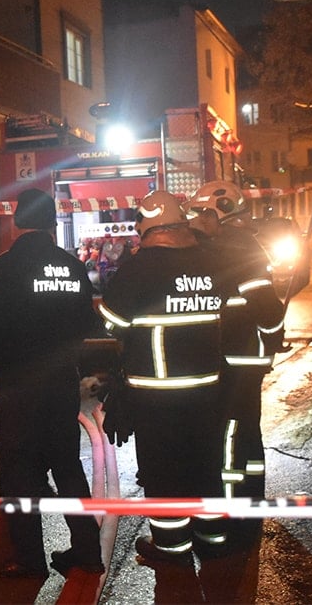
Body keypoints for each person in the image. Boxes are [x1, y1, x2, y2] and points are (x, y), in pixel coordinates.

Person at [98, 191, 240, 564]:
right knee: (206, 466)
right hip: (208, 387)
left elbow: (112, 323)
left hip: (157, 394)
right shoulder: (211, 261)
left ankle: (172, 548)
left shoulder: (139, 268)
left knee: (164, 472)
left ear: (146, 226)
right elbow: (228, 309)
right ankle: (212, 540)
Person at [0, 188, 105, 578]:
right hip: (62, 383)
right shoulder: (72, 266)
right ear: (52, 223)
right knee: (67, 466)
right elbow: (88, 323)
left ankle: (28, 559)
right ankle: (88, 551)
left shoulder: (7, 265)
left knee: (19, 473)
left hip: (20, 386)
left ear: (17, 222)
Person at [187, 182, 285, 516]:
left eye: (201, 214)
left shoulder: (233, 249)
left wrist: (272, 336)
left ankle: (233, 511)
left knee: (231, 434)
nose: (196, 222)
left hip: (235, 359)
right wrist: (272, 341)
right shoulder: (240, 246)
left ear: (217, 214)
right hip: (244, 358)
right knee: (247, 434)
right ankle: (251, 501)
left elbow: (268, 309)